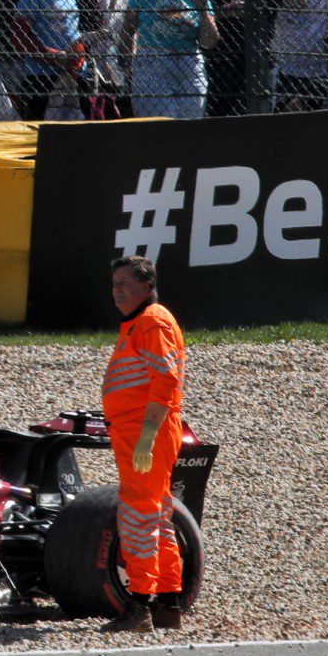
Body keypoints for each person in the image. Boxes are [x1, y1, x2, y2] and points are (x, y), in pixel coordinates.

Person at [101, 254, 188, 632]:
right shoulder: (137, 323)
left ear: (147, 287)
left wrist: (147, 439)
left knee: (136, 517)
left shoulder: (151, 321)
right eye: (114, 283)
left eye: (125, 284)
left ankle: (139, 606)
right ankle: (168, 604)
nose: (116, 290)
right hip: (138, 432)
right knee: (158, 516)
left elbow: (166, 381)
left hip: (144, 434)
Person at [119, 0, 219, 119]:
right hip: (152, 59)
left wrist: (203, 10)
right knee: (158, 123)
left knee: (189, 122)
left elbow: (209, 42)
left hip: (188, 60)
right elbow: (128, 28)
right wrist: (127, 63)